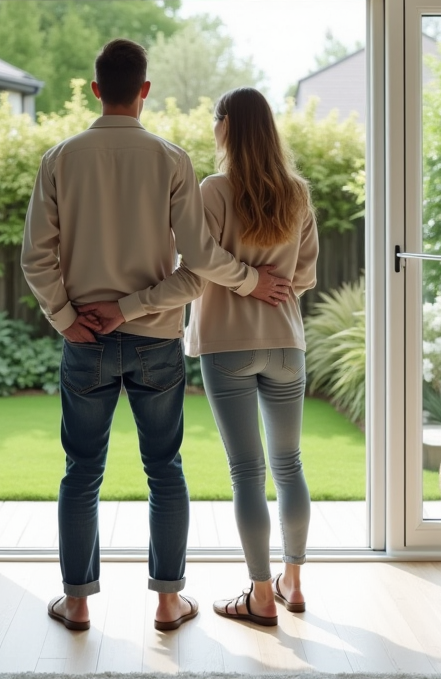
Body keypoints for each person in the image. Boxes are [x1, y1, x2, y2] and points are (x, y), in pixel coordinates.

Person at [21, 41, 292, 633]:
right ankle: (169, 603)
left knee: (81, 471)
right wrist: (248, 281)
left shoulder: (58, 159)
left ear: (96, 89)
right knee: (164, 469)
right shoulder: (172, 160)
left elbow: (35, 260)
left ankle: (79, 603)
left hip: (84, 341)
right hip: (156, 341)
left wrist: (69, 319)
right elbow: (198, 262)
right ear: (145, 90)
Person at [80, 86, 318, 628]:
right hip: (286, 346)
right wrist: (271, 287)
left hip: (226, 347)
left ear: (225, 127)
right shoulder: (298, 194)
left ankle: (260, 595)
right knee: (289, 465)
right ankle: (294, 584)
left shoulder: (213, 191)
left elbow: (195, 273)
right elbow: (303, 276)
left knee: (247, 472)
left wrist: (130, 306)